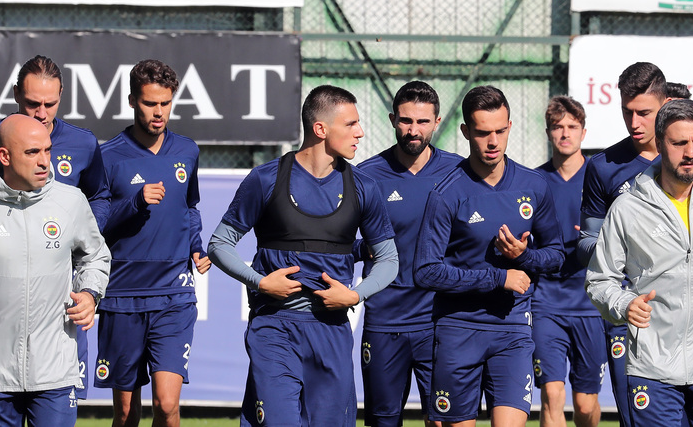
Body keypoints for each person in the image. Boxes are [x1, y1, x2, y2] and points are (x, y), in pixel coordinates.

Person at [208, 85, 398, 427]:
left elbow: (388, 259)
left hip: (332, 331)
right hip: (274, 328)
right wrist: (260, 282)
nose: (361, 132)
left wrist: (355, 294)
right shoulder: (265, 179)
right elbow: (219, 243)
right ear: (321, 129)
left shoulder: (364, 188)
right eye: (351, 124)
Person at [586, 99, 693, 426]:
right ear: (659, 142)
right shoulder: (628, 207)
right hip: (652, 366)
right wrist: (625, 304)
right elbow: (600, 280)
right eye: (679, 142)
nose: (690, 152)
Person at [413, 85, 565, 427]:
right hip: (457, 328)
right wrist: (499, 277)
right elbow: (425, 271)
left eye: (500, 130)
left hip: (512, 328)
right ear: (466, 132)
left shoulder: (534, 185)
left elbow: (556, 256)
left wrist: (524, 257)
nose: (493, 141)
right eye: (482, 133)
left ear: (510, 126)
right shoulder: (446, 193)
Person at [0, 55, 109, 400]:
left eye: (50, 103)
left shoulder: (83, 144)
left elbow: (99, 197)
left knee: (59, 396)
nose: (41, 112)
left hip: (55, 312)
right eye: (32, 103)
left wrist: (78, 236)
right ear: (17, 94)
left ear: (61, 96)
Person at [96, 60, 211, 427]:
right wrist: (135, 202)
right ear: (132, 101)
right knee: (127, 413)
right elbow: (95, 226)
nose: (158, 112)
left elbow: (189, 208)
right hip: (122, 295)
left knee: (166, 405)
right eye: (149, 103)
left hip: (173, 295)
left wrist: (196, 245)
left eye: (165, 103)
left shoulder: (187, 151)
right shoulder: (108, 156)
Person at [356, 81, 461, 427]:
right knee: (382, 422)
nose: (413, 130)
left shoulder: (458, 173)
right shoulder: (366, 176)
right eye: (405, 121)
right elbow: (343, 242)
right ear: (392, 119)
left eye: (422, 122)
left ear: (437, 122)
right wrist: (365, 248)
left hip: (442, 321)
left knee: (446, 421)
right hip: (386, 321)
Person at [532, 96, 606, 427]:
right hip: (546, 301)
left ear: (584, 132)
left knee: (586, 405)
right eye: (558, 127)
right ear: (548, 132)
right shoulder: (532, 181)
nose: (565, 133)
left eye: (572, 127)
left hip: (591, 303)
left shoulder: (601, 177)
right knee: (552, 397)